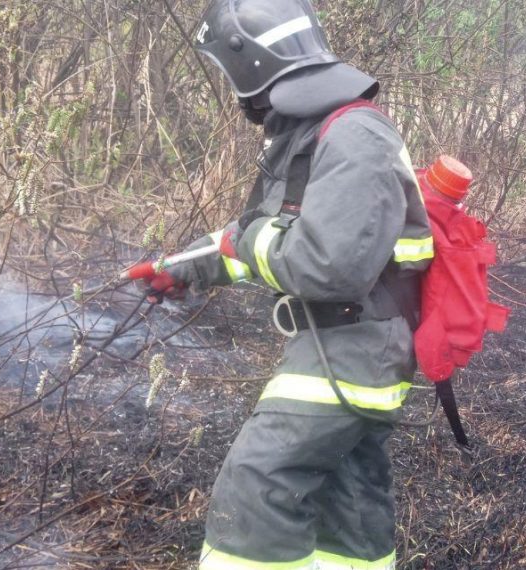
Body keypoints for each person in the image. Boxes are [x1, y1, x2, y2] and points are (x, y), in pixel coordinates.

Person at [141, 0, 433, 568]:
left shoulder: (354, 138)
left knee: (256, 493)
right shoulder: (315, 132)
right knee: (345, 510)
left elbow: (327, 266)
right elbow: (267, 235)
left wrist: (249, 242)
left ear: (251, 64)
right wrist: (184, 266)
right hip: (346, 347)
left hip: (353, 352)